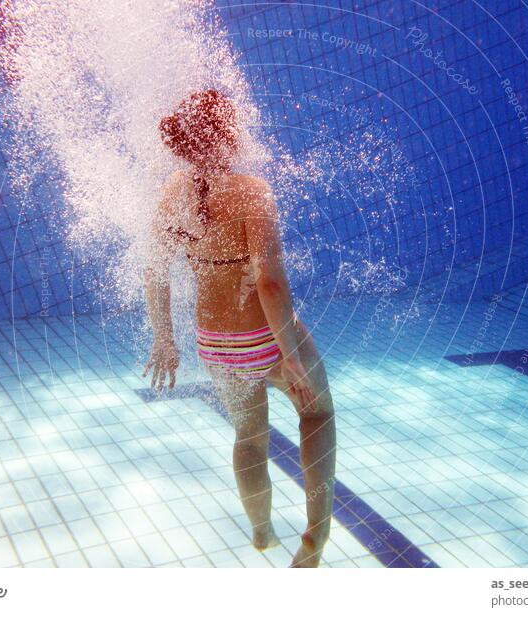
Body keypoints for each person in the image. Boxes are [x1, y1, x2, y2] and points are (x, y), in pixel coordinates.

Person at [143, 90, 336, 567]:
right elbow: (269, 283)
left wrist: (164, 337)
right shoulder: (253, 191)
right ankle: (314, 540)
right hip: (264, 338)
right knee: (317, 416)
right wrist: (288, 352)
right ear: (228, 133)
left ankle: (262, 530)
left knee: (249, 438)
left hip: (214, 344)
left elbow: (155, 269)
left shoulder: (172, 191)